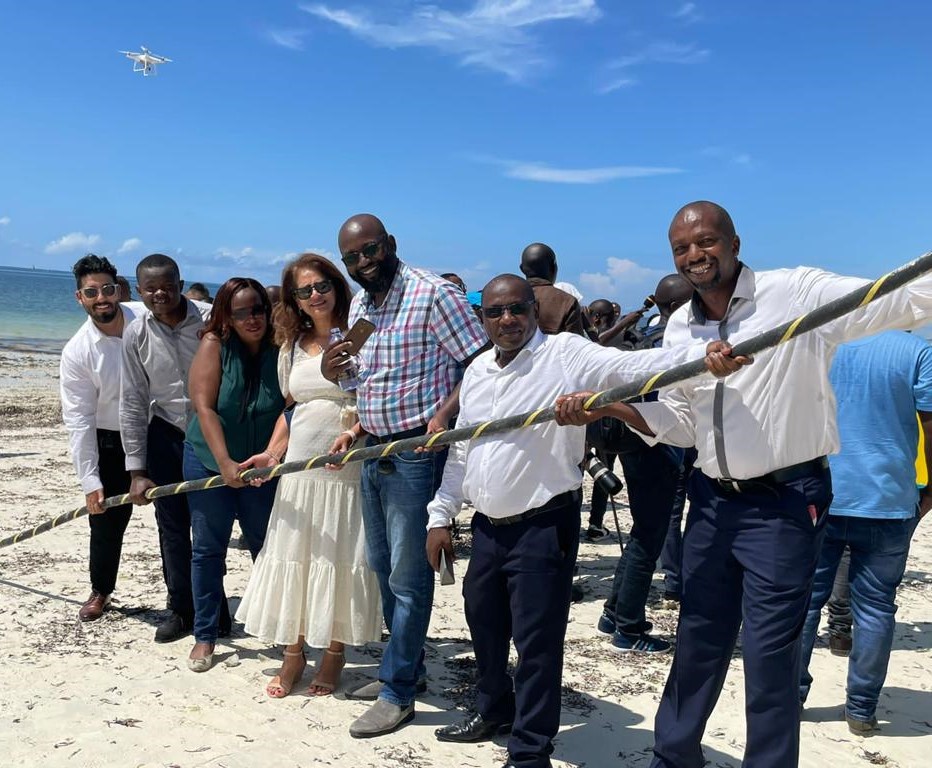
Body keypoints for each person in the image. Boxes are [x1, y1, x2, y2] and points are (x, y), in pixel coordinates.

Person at [555, 201, 931, 768]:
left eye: (706, 241)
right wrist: (614, 408)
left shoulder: (796, 293)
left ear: (734, 242)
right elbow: (682, 424)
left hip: (785, 503)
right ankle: (673, 757)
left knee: (770, 655)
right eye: (681, 248)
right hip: (710, 502)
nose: (694, 255)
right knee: (697, 640)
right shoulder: (680, 326)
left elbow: (896, 297)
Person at [425, 275, 713, 768]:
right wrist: (441, 514)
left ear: (533, 310)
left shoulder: (565, 354)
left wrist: (706, 353)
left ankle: (529, 750)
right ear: (483, 318)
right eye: (495, 312)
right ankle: (493, 710)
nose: (507, 320)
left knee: (537, 643)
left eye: (516, 309)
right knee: (484, 626)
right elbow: (462, 450)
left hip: (543, 525)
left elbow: (633, 366)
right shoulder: (477, 371)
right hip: (488, 527)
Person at [321, 214, 488, 738]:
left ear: (390, 244)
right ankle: (407, 671)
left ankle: (397, 694)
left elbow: (481, 363)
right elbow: (365, 379)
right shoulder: (363, 305)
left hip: (417, 450)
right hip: (373, 449)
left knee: (409, 578)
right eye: (352, 257)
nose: (363, 262)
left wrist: (444, 415)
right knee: (381, 566)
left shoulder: (433, 294)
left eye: (370, 250)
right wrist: (339, 381)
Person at [236, 253, 381, 697]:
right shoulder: (292, 346)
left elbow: (378, 402)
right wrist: (271, 453)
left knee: (339, 554)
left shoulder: (364, 335)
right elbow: (293, 409)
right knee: (296, 556)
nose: (315, 295)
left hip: (346, 468)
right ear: (295, 299)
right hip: (299, 472)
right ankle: (293, 653)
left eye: (322, 286)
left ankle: (334, 653)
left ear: (337, 287)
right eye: (304, 290)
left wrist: (354, 434)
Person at [798, 331, 932, 733]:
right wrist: (929, 492)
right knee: (875, 607)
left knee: (805, 603)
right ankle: (861, 709)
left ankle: (790, 696)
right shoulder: (917, 351)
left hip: (822, 493)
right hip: (889, 498)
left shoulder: (823, 343)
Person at [182, 278, 283, 672]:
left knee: (268, 546)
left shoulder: (281, 345)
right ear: (226, 315)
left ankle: (277, 625)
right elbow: (204, 407)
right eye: (241, 312)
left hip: (264, 464)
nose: (251, 318)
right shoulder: (214, 344)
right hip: (209, 460)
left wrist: (272, 456)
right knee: (208, 550)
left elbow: (291, 407)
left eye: (257, 309)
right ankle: (205, 634)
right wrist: (224, 463)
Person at [120, 253, 222, 643]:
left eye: (167, 286)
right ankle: (181, 609)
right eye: (151, 288)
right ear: (140, 291)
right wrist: (137, 471)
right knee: (172, 527)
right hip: (165, 432)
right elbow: (132, 400)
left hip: (211, 429)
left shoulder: (212, 319)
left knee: (210, 525)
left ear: (180, 284)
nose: (160, 294)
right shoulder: (135, 333)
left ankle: (215, 608)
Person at [60, 254, 136, 622]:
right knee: (105, 522)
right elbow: (78, 419)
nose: (101, 298)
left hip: (159, 429)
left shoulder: (146, 318)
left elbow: (200, 312)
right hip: (110, 438)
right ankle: (101, 590)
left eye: (107, 289)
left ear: (118, 289)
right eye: (92, 292)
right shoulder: (77, 351)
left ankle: (182, 598)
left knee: (175, 518)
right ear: (80, 298)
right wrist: (90, 480)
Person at [518, 243, 585, 336]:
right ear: (553, 268)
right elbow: (576, 342)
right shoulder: (567, 302)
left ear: (522, 269)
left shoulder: (508, 299)